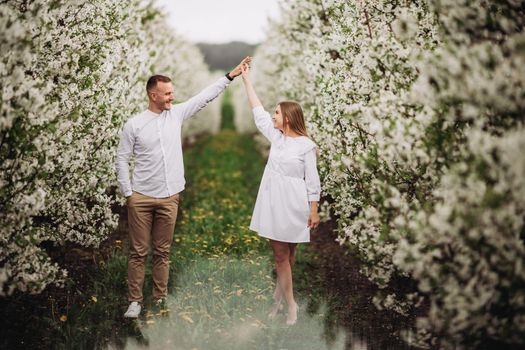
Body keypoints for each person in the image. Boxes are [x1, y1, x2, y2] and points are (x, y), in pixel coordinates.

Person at [116, 57, 251, 318]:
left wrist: (230, 76)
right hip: (141, 196)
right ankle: (134, 300)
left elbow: (204, 97)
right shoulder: (134, 125)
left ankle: (159, 297)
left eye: (172, 93)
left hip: (170, 196)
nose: (171, 97)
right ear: (152, 95)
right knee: (138, 252)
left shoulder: (176, 114)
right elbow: (122, 158)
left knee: (163, 251)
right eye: (167, 94)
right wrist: (128, 194)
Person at [240, 62, 321, 325]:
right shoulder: (277, 138)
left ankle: (278, 300)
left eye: (277, 113)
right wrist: (246, 79)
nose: (273, 116)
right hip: (274, 202)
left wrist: (313, 209)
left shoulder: (306, 146)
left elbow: (312, 178)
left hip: (295, 203)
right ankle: (292, 305)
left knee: (289, 254)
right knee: (280, 255)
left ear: (287, 118)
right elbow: (257, 110)